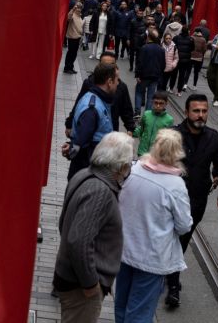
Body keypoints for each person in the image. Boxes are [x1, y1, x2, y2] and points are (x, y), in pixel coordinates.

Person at [53, 132, 134, 323]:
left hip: (71, 278)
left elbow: (64, 224)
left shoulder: (84, 174)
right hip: (80, 287)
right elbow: (78, 240)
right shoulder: (100, 191)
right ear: (122, 166)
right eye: (129, 164)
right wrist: (90, 283)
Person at [114, 130, 193, 322]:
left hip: (124, 251)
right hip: (152, 259)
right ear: (177, 152)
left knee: (122, 305)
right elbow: (184, 226)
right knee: (140, 313)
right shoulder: (176, 185)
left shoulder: (133, 170)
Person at [167, 94, 218, 307]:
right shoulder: (173, 135)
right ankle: (173, 284)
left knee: (183, 239)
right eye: (196, 111)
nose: (200, 115)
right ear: (186, 112)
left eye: (204, 111)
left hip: (197, 199)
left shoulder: (213, 137)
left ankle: (171, 274)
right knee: (170, 237)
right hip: (171, 198)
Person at [62, 63, 120, 180]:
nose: (118, 83)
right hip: (88, 174)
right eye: (117, 80)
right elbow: (82, 140)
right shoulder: (92, 107)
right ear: (109, 82)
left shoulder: (96, 99)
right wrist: (72, 147)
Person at [65, 52, 135, 138]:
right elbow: (78, 104)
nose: (108, 68)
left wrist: (130, 129)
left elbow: (126, 110)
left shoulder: (120, 87)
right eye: (105, 64)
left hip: (110, 135)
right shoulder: (89, 83)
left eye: (111, 65)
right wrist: (69, 124)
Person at [134, 29, 166, 116]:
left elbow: (140, 62)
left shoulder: (144, 48)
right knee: (151, 95)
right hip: (155, 76)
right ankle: (147, 113)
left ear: (148, 37)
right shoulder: (161, 49)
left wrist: (137, 74)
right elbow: (163, 64)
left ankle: (137, 112)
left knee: (139, 92)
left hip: (144, 75)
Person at [133, 91, 174, 157]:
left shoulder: (169, 120)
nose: (158, 105)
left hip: (156, 154)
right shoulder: (146, 114)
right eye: (156, 103)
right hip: (142, 152)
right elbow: (141, 129)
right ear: (152, 102)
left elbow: (168, 139)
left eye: (161, 103)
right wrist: (132, 132)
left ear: (166, 103)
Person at [64, 2, 84, 74]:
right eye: (78, 7)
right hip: (72, 37)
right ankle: (67, 68)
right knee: (70, 53)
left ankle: (71, 67)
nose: (79, 9)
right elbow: (68, 17)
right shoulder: (73, 15)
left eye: (80, 7)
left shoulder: (79, 16)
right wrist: (73, 9)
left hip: (78, 37)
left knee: (74, 54)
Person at [174, 25, 194, 96]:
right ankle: (179, 91)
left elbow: (173, 46)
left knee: (174, 74)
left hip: (176, 58)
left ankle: (170, 87)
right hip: (185, 60)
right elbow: (192, 48)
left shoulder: (176, 38)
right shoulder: (191, 39)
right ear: (188, 31)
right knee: (182, 76)